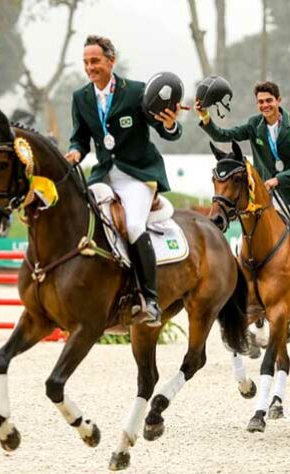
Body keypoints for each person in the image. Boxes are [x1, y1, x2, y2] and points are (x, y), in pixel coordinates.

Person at [64, 35, 184, 327]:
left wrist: (170, 124)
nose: (90, 67)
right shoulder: (81, 98)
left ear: (110, 60)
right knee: (83, 220)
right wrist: (74, 153)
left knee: (132, 225)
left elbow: (166, 129)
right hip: (104, 173)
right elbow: (80, 138)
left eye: (95, 61)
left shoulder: (137, 92)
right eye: (86, 62)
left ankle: (150, 299)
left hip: (139, 175)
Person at [195, 80, 290, 304]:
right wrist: (204, 117)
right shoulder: (254, 125)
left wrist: (278, 179)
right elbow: (222, 135)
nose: (265, 105)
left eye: (269, 100)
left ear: (278, 101)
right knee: (245, 243)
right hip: (267, 199)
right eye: (260, 101)